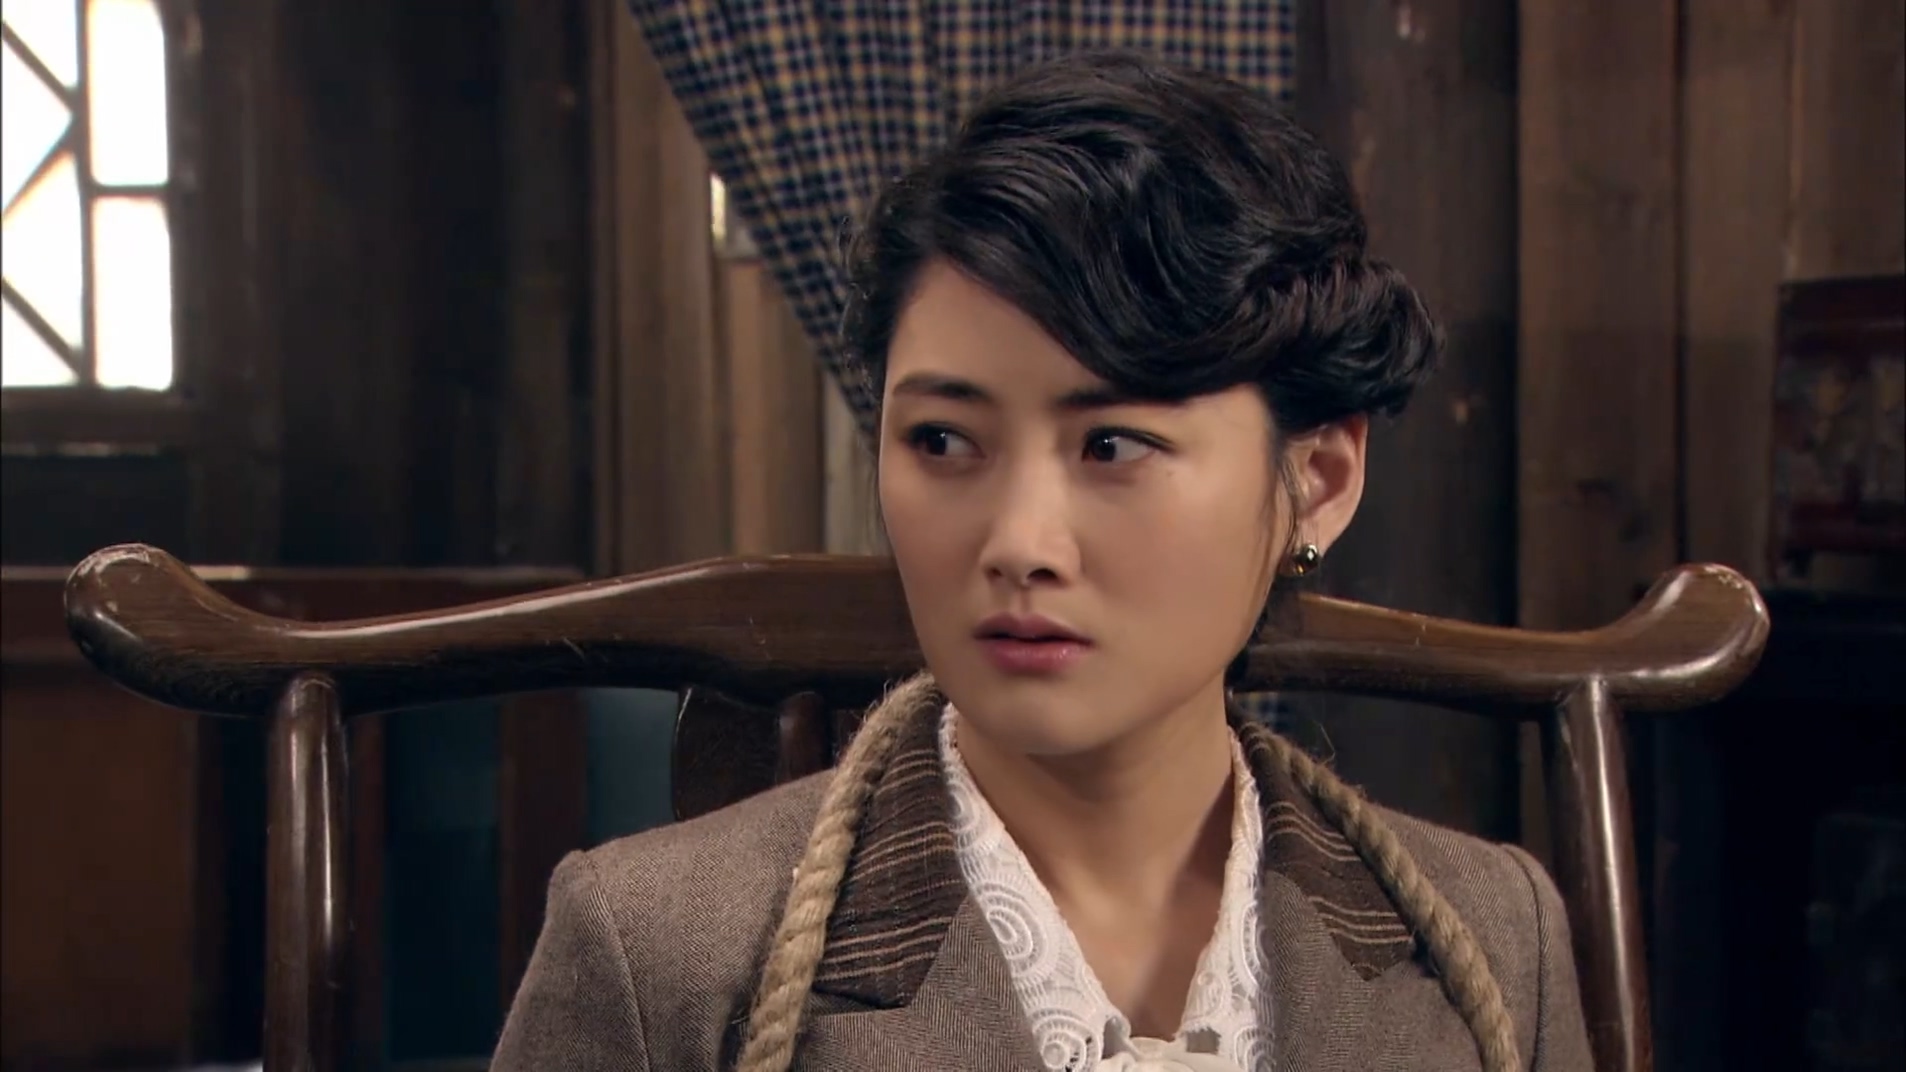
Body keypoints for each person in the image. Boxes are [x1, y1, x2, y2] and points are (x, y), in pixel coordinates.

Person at [493, 50, 1593, 1072]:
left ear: (1318, 480)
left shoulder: (1491, 940)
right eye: (942, 441)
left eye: (1112, 446)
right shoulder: (659, 954)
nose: (1018, 543)